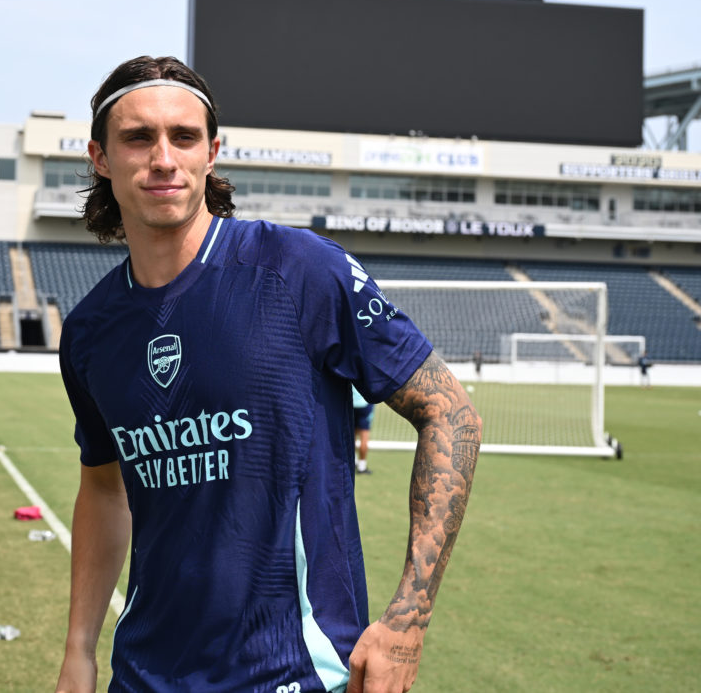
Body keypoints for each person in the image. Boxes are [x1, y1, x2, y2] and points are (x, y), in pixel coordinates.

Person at [55, 56, 481, 693]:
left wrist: (407, 618)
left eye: (185, 137)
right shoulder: (90, 330)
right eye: (139, 137)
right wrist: (79, 651)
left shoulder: (299, 270)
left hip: (292, 671)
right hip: (143, 675)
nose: (164, 158)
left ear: (212, 152)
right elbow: (104, 489)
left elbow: (451, 412)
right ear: (100, 156)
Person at [353, 385, 374, 475]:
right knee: (364, 435)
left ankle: (352, 461)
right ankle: (362, 466)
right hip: (365, 404)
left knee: (351, 435)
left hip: (350, 402)